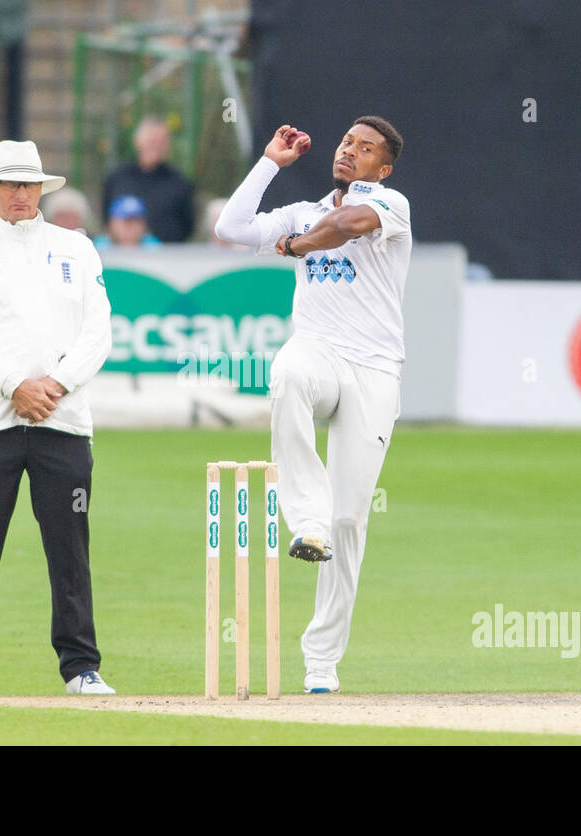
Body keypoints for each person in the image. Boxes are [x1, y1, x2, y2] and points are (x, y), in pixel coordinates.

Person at [214, 116, 411, 695]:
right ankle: (304, 519)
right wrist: (270, 163)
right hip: (320, 351)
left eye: (366, 148)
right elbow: (230, 227)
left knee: (350, 519)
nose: (351, 152)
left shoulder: (390, 203)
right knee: (289, 371)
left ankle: (321, 662)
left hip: (374, 369)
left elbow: (347, 225)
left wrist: (294, 246)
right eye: (348, 142)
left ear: (384, 167)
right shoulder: (301, 207)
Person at [0, 140, 116, 696]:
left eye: (28, 184)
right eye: (9, 184)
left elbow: (98, 332)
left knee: (69, 551)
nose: (20, 194)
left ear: (42, 188)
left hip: (63, 422)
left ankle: (81, 667)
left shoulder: (76, 246)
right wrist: (14, 386)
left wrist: (56, 385)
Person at [102, 115, 194, 242]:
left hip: (168, 256)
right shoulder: (117, 177)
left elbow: (188, 225)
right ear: (138, 141)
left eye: (161, 142)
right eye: (152, 140)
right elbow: (106, 217)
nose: (156, 146)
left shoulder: (180, 182)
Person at [93, 194, 161, 250]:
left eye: (136, 222)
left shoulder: (153, 247)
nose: (130, 228)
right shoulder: (99, 248)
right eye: (125, 222)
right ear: (111, 223)